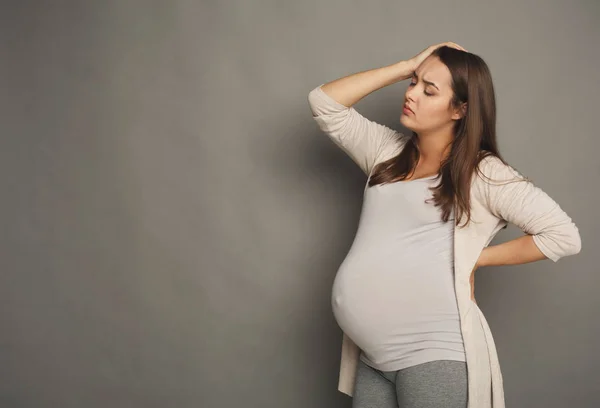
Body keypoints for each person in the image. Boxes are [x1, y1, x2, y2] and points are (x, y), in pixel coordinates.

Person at [307, 42, 582, 408]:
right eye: (413, 83)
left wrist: (475, 260)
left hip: (434, 354)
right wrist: (408, 65)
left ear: (460, 108)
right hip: (374, 357)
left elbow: (563, 236)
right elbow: (324, 103)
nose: (412, 94)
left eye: (429, 90)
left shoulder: (483, 173)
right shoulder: (386, 152)